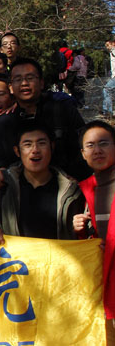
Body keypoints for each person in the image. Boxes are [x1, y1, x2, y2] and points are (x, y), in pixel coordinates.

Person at [0, 57, 89, 188]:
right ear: (11, 87)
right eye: (18, 79)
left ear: (41, 83)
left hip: (65, 188)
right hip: (20, 192)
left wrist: (74, 178)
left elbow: (83, 149)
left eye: (30, 78)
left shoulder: (63, 111)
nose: (24, 83)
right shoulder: (3, 123)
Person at [0, 121, 84, 245]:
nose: (35, 150)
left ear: (52, 146)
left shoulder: (71, 190)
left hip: (59, 257)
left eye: (41, 143)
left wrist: (79, 228)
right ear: (17, 151)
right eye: (27, 144)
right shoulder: (4, 185)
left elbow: (83, 229)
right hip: (15, 257)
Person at [73, 120, 115, 343]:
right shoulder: (82, 189)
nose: (97, 150)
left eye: (104, 143)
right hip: (101, 287)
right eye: (90, 146)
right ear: (82, 153)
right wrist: (79, 231)